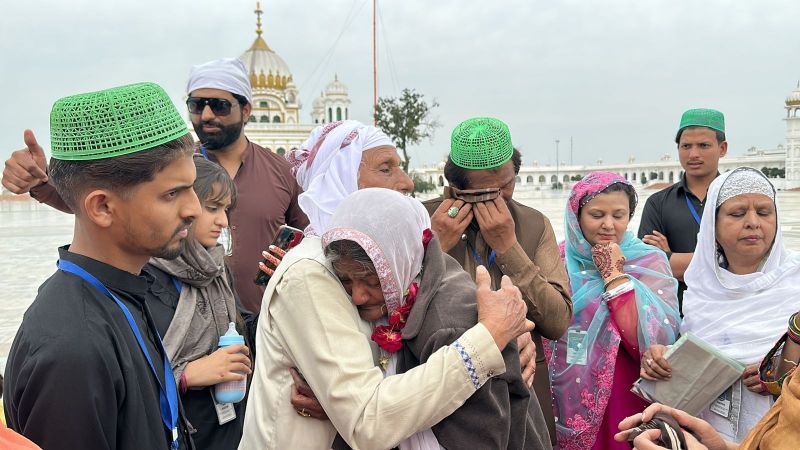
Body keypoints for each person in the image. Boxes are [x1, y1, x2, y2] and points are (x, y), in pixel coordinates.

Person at [240, 120, 536, 449]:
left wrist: (505, 336)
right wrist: (486, 341)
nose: (406, 182)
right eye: (385, 168)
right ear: (338, 177)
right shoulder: (312, 272)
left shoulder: (392, 259)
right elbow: (367, 419)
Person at [1, 58, 309, 314]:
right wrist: (40, 183)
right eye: (196, 105)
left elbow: (308, 236)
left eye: (219, 105)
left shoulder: (281, 171)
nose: (206, 115)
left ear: (246, 110)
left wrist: (290, 262)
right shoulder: (170, 164)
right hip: (171, 319)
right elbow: (108, 205)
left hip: (260, 316)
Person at [3, 82, 200, 449]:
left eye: (191, 188)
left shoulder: (124, 292)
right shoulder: (73, 352)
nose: (195, 209)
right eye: (172, 193)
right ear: (102, 208)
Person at [322, 188, 551, 449]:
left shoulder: (450, 326)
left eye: (371, 281)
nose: (358, 296)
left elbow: (481, 440)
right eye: (346, 280)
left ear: (401, 262)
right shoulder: (407, 284)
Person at [422, 117, 572, 443]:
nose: (499, 199)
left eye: (506, 186)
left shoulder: (533, 223)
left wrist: (508, 247)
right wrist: (435, 246)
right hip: (445, 389)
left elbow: (558, 320)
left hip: (524, 382)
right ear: (455, 187)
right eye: (485, 192)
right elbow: (398, 312)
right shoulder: (422, 219)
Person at [641, 167, 800, 443]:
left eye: (764, 212)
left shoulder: (795, 280)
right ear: (711, 226)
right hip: (709, 432)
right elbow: (699, 358)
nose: (753, 222)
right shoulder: (701, 289)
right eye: (737, 214)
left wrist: (784, 371)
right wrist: (662, 358)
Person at [548, 172, 681, 450]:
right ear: (576, 216)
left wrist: (614, 276)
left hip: (627, 386)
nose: (609, 225)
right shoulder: (556, 259)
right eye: (597, 215)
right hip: (565, 391)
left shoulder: (648, 260)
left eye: (619, 215)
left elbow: (651, 341)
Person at [146, 156, 251, 450]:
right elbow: (131, 378)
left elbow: (241, 326)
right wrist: (186, 376)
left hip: (230, 430)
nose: (224, 221)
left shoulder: (216, 268)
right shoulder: (146, 278)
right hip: (179, 434)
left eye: (226, 209)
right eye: (213, 208)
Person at [638, 108, 728, 314]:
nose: (694, 154)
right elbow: (647, 269)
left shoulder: (739, 201)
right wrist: (721, 260)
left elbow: (749, 264)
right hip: (676, 316)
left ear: (722, 148)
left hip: (729, 313)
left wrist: (669, 257)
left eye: (704, 145)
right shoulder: (658, 203)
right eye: (686, 146)